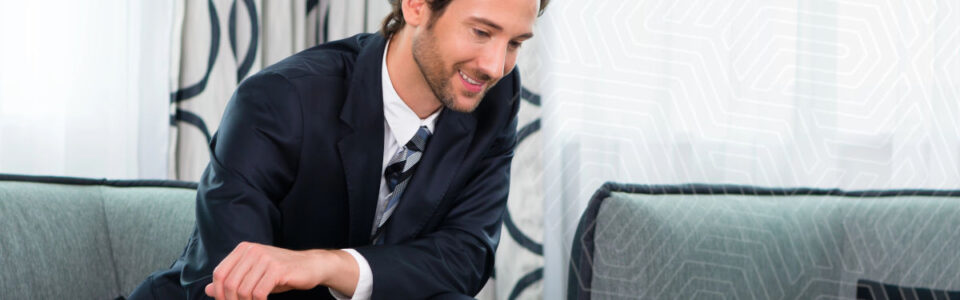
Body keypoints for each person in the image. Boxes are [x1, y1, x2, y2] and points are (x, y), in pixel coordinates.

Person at [128, 0, 549, 299]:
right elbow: (228, 283)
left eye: (515, 43)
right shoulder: (277, 102)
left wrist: (326, 266)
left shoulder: (493, 95)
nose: (495, 65)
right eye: (481, 32)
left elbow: (465, 257)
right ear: (416, 5)